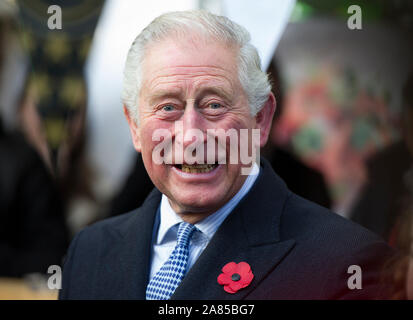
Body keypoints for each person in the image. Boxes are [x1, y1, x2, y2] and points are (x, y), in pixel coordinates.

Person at [60, 10, 394, 300]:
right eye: (167, 107)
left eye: (215, 105)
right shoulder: (89, 252)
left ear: (261, 119)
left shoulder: (346, 266)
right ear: (134, 125)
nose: (191, 135)